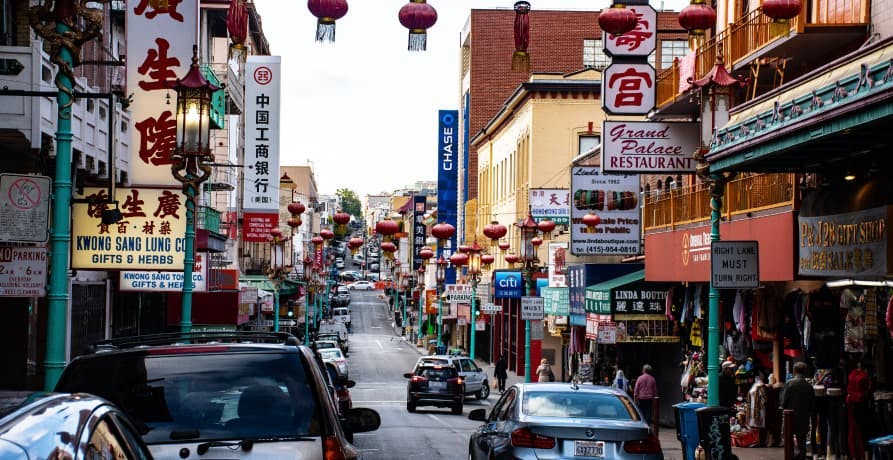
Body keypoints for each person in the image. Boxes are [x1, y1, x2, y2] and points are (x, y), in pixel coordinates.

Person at [781, 361, 816, 460]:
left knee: (789, 441)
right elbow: (812, 405)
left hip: (790, 418)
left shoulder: (789, 383)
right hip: (804, 417)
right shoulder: (809, 386)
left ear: (794, 370)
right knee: (802, 442)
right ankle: (801, 456)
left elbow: (783, 402)